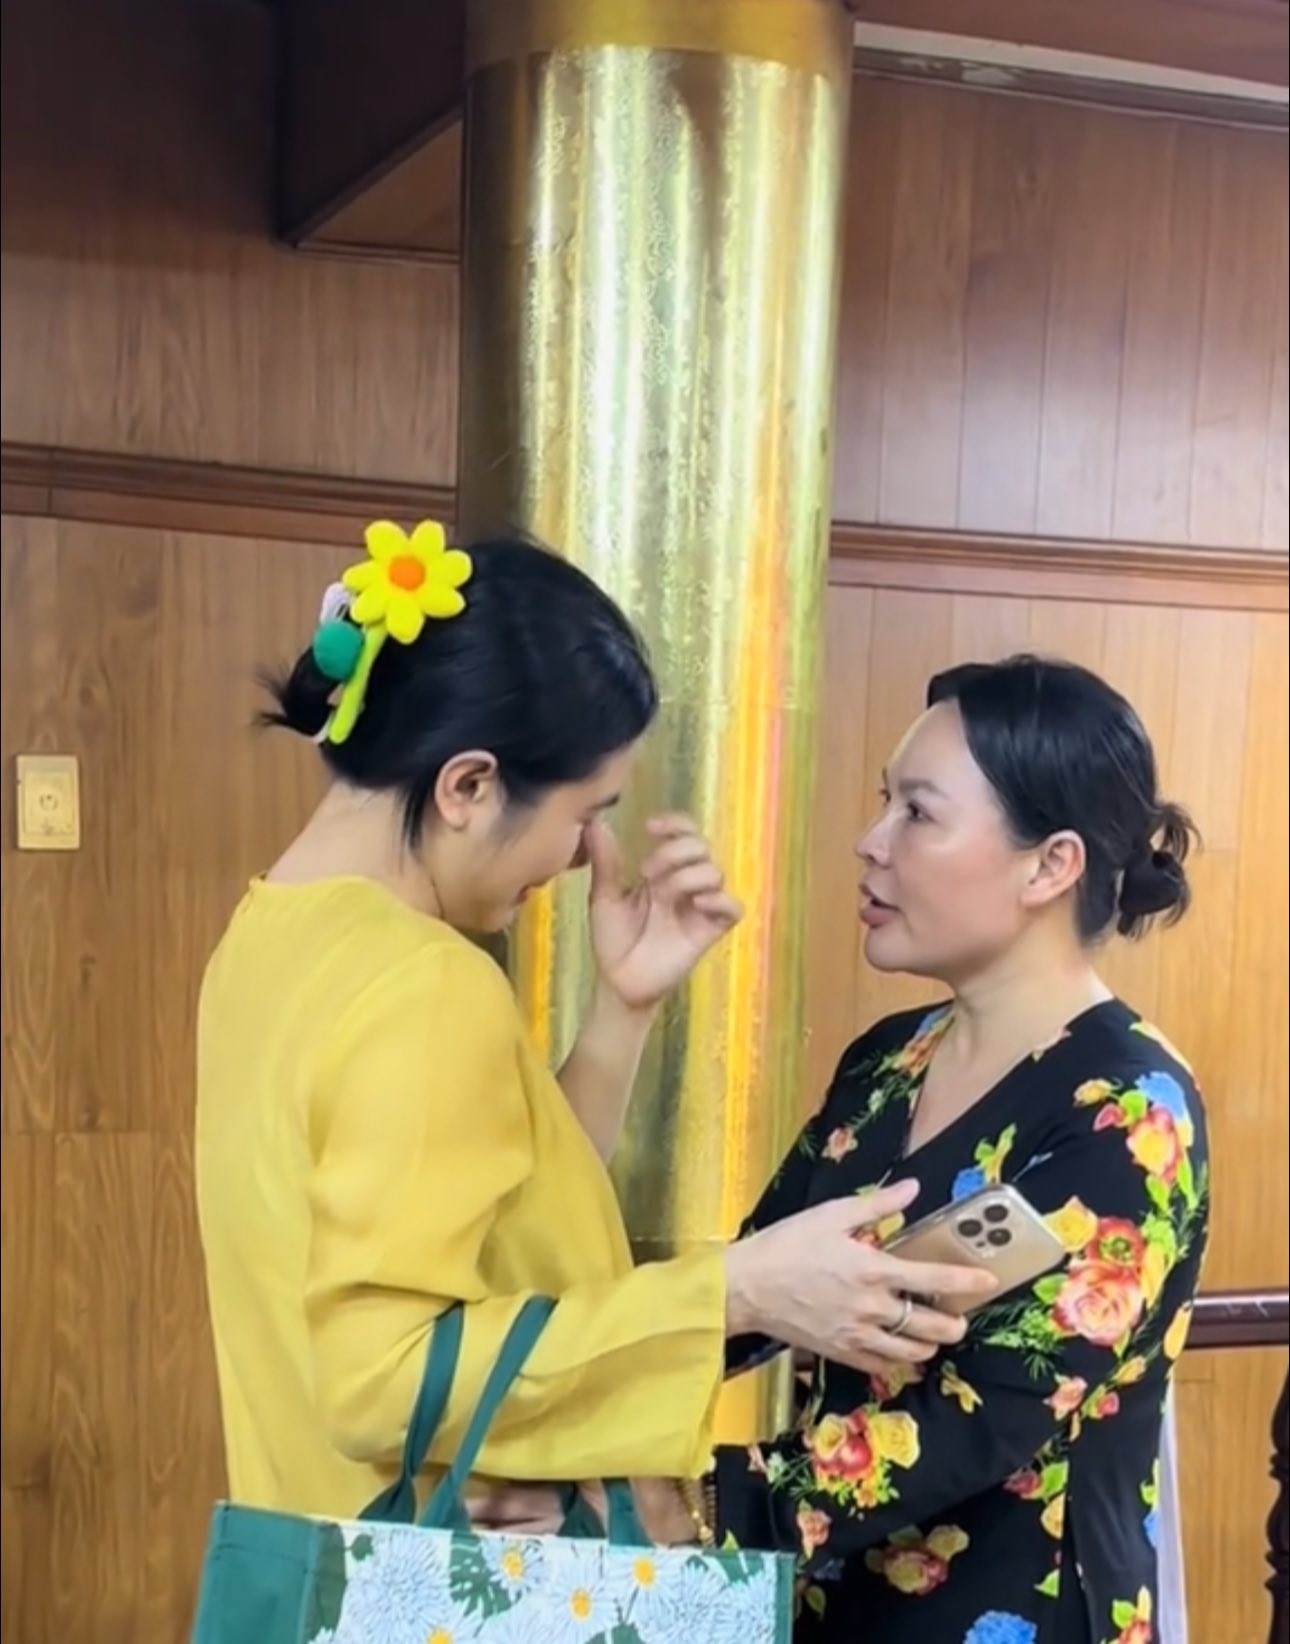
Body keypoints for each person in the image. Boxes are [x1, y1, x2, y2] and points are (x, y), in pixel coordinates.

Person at [195, 522, 993, 1534]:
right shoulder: (424, 980)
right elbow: (380, 1376)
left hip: (318, 1552)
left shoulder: (265, 937)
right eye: (584, 811)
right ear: (469, 785)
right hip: (441, 1581)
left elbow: (489, 1218)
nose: (581, 854)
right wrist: (734, 1293)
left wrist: (624, 1007)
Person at [716, 656, 1209, 1644]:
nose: (870, 842)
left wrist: (694, 1507)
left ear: (1049, 865)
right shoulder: (888, 1060)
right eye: (883, 804)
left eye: (918, 813)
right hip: (830, 1601)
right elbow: (760, 1285)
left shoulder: (1126, 1110)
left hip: (1021, 1614)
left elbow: (982, 1417)